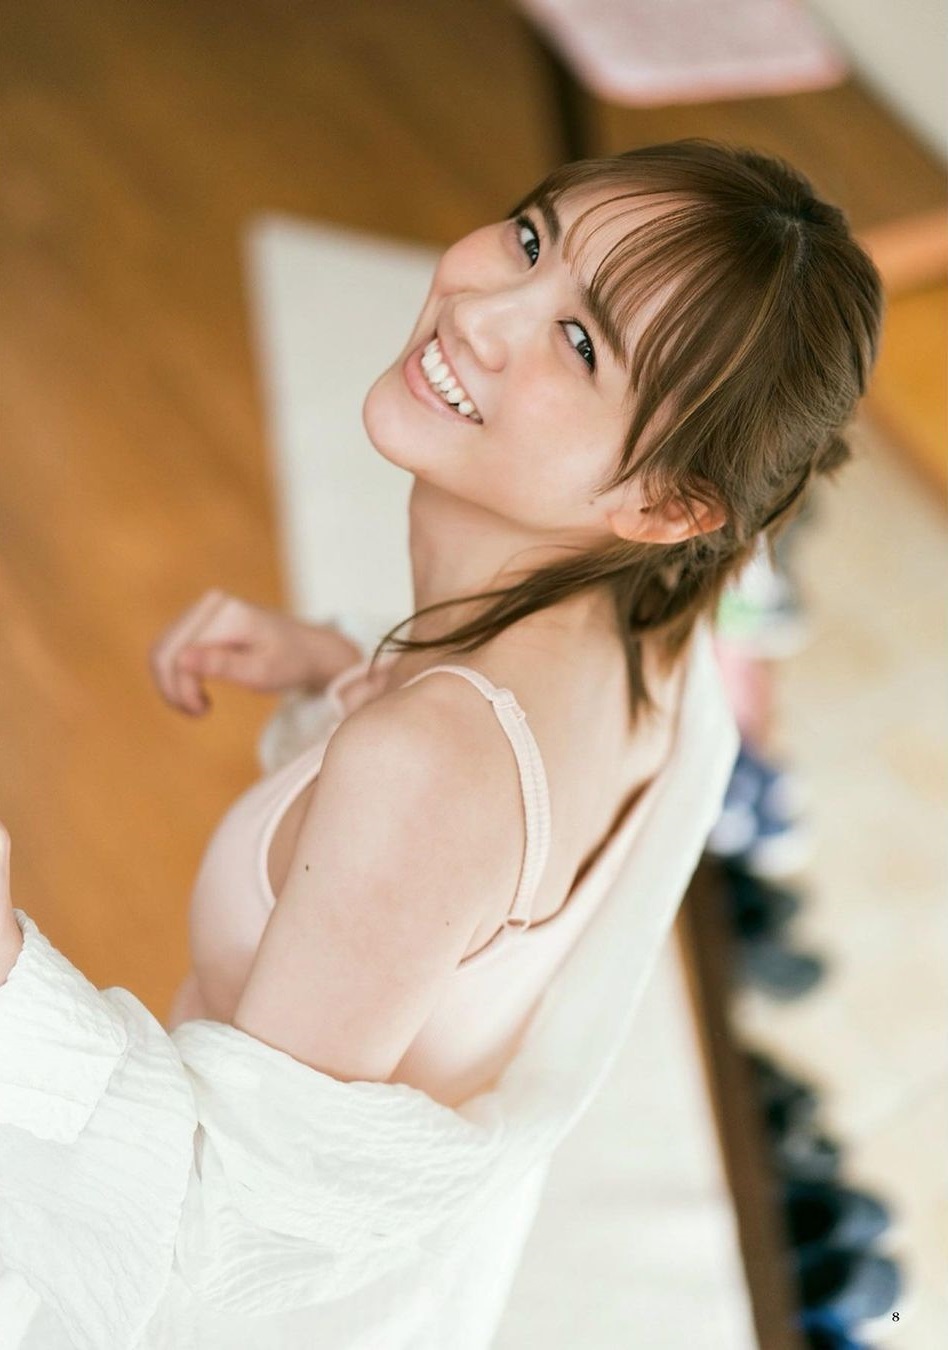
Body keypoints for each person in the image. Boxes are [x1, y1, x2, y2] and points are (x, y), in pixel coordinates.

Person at [0, 139, 883, 1348]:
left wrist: (12, 978)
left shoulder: (425, 772)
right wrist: (339, 664)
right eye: (530, 238)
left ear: (668, 503)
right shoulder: (663, 638)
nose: (480, 310)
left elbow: (209, 1231)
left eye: (581, 344)